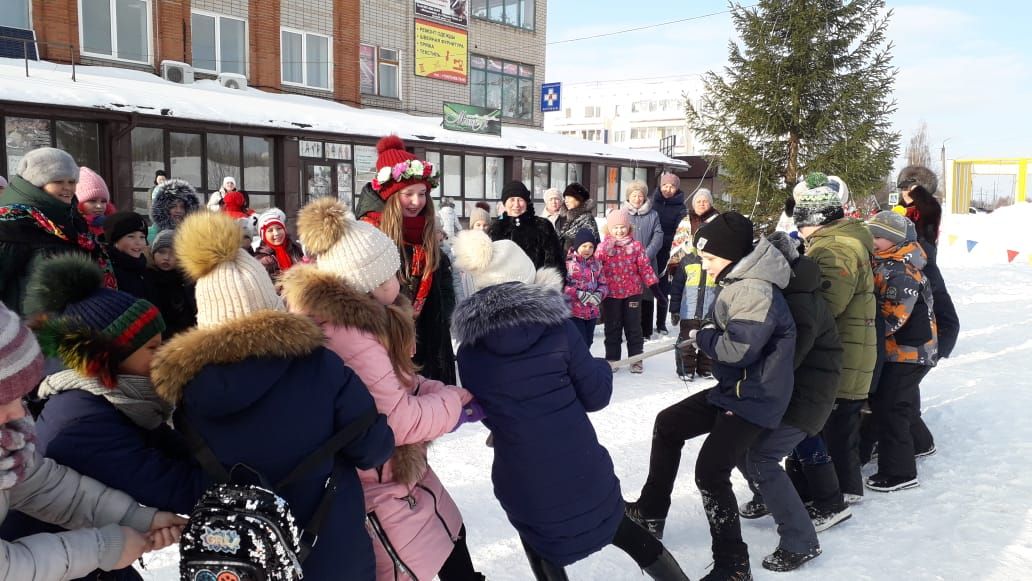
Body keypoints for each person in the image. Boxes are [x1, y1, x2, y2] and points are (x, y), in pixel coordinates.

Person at [150, 210, 396, 580]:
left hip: (243, 562)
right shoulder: (322, 366)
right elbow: (374, 449)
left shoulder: (187, 394)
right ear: (271, 303)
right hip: (332, 555)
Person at [450, 231, 689, 581]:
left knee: (540, 542)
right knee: (620, 528)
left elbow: (492, 414)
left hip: (523, 480)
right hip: (582, 469)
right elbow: (596, 396)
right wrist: (599, 370)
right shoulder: (559, 331)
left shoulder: (469, 353)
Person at [281, 198, 486, 581]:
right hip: (378, 482)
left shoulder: (360, 324)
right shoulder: (350, 336)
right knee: (407, 564)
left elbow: (396, 384)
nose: (401, 280)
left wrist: (444, 392)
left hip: (398, 473)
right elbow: (396, 420)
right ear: (368, 284)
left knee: (451, 537)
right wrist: (453, 406)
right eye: (393, 274)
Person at [2, 255, 208, 580]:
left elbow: (49, 489)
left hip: (80, 555)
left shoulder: (123, 402)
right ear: (110, 359)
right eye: (153, 348)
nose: (18, 412)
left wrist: (143, 519)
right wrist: (105, 547)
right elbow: (176, 484)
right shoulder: (81, 422)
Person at [627, 212, 795, 581]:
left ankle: (734, 566)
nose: (705, 264)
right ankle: (651, 512)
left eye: (710, 258)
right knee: (668, 424)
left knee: (710, 472)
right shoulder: (739, 279)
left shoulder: (754, 288)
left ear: (733, 255)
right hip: (732, 391)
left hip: (755, 398)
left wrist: (704, 335)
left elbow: (738, 350)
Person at [734, 231, 842, 573]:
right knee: (735, 444)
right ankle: (769, 495)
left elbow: (786, 359)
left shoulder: (800, 301)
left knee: (760, 457)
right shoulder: (787, 291)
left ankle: (800, 541)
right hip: (787, 393)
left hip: (806, 398)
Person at [791, 173, 876, 516]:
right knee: (840, 423)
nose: (798, 230)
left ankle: (840, 491)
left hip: (843, 351)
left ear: (814, 220)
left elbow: (826, 305)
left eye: (800, 223)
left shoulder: (834, 248)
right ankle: (845, 486)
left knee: (834, 424)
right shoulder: (839, 242)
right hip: (850, 347)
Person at [356, 136, 457, 385]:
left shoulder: (427, 235)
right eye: (408, 194)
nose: (416, 202)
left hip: (426, 346)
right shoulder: (368, 236)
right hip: (384, 345)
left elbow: (443, 295)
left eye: (422, 193)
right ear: (390, 196)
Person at [864, 212, 938, 492]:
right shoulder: (884, 262)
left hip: (910, 352)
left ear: (894, 241)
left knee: (891, 407)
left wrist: (861, 330)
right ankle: (921, 443)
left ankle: (900, 472)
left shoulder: (901, 271)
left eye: (878, 237)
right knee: (897, 401)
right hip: (900, 351)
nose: (873, 241)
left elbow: (892, 319)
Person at [0, 147, 116, 315]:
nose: (67, 188)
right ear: (37, 183)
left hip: (76, 327)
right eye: (58, 181)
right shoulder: (12, 222)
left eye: (71, 181)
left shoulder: (73, 219)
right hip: (34, 332)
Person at [596, 209, 658, 373]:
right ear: (609, 229)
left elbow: (645, 268)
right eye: (615, 227)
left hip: (633, 294)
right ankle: (612, 358)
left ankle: (636, 359)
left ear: (628, 227)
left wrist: (655, 288)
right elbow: (595, 269)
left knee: (634, 327)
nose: (619, 231)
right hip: (611, 295)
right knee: (612, 327)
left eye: (622, 227)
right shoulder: (603, 248)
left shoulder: (636, 246)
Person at [488, 180, 565, 275]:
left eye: (520, 200)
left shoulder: (543, 226)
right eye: (512, 199)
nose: (516, 205)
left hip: (536, 287)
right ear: (504, 203)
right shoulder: (495, 228)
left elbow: (555, 263)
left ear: (526, 202)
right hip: (503, 287)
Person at [623, 180, 664, 338]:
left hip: (648, 262)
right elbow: (617, 234)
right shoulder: (623, 213)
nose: (637, 198)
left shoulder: (653, 214)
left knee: (647, 295)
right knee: (630, 297)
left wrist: (647, 255)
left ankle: (646, 331)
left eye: (640, 195)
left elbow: (658, 235)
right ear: (629, 197)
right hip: (627, 264)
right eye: (634, 195)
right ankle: (629, 330)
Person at [651, 173, 688, 335]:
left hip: (668, 252)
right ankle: (644, 323)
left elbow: (680, 231)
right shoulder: (652, 202)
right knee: (647, 288)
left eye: (672, 186)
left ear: (677, 188)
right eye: (665, 185)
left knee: (663, 288)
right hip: (651, 250)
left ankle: (661, 323)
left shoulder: (680, 207)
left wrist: (664, 240)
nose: (668, 189)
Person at [146, 230, 197, 337]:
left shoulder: (187, 280)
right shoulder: (147, 278)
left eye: (173, 253)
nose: (166, 257)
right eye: (161, 252)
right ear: (152, 252)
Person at [563, 228, 608, 348]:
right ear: (577, 246)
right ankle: (576, 365)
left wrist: (599, 294)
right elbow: (562, 286)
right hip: (574, 312)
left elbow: (603, 284)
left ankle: (584, 364)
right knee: (579, 341)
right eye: (584, 246)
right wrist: (577, 293)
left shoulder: (597, 264)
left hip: (592, 311)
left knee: (588, 341)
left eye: (591, 247)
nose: (587, 250)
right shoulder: (568, 263)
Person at [103, 211, 153, 300]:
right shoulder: (107, 271)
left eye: (142, 237)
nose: (138, 242)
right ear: (115, 241)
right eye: (131, 236)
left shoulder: (146, 268)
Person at [254, 207, 305, 280]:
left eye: (279, 228)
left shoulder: (294, 248)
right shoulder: (262, 258)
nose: (276, 233)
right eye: (270, 230)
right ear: (263, 236)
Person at [555, 183, 599, 254]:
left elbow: (591, 247)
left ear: (579, 198)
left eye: (569, 197)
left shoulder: (587, 219)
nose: (566, 200)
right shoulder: (563, 218)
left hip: (579, 263)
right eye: (565, 198)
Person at [76, 167, 115, 239]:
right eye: (92, 201)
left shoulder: (113, 226)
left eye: (103, 201)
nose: (99, 206)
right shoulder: (71, 228)